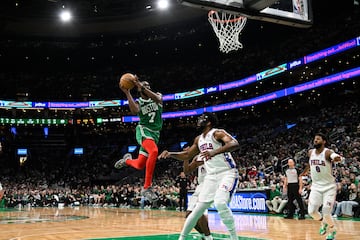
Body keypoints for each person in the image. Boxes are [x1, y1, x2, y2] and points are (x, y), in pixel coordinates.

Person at [158, 112, 240, 240]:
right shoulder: (198, 139)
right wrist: (170, 154)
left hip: (227, 172)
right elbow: (186, 156)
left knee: (220, 203)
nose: (198, 120)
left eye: (202, 118)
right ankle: (182, 238)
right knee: (197, 210)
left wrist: (214, 152)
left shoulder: (217, 133)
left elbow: (234, 143)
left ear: (208, 122)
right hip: (211, 177)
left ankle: (234, 238)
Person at [115, 75, 163, 202]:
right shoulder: (139, 102)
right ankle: (147, 187)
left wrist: (142, 86)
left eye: (148, 86)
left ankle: (127, 161)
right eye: (144, 86)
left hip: (155, 134)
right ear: (139, 90)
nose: (147, 87)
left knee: (140, 165)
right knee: (154, 151)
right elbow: (134, 111)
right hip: (143, 131)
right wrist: (127, 93)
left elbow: (158, 98)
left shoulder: (157, 96)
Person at [302, 133, 343, 240]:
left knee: (326, 211)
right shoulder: (310, 152)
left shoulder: (327, 152)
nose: (315, 141)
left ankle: (333, 230)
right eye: (315, 139)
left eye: (318, 139)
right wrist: (304, 172)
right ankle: (323, 222)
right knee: (311, 212)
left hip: (329, 187)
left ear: (323, 141)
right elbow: (309, 164)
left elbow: (334, 156)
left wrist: (337, 158)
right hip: (316, 187)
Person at [183, 150, 212, 240]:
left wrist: (187, 154)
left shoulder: (213, 153)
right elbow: (187, 171)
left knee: (199, 212)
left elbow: (203, 161)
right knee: (189, 215)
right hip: (200, 186)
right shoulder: (198, 156)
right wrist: (186, 158)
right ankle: (204, 235)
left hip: (210, 184)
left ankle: (208, 237)